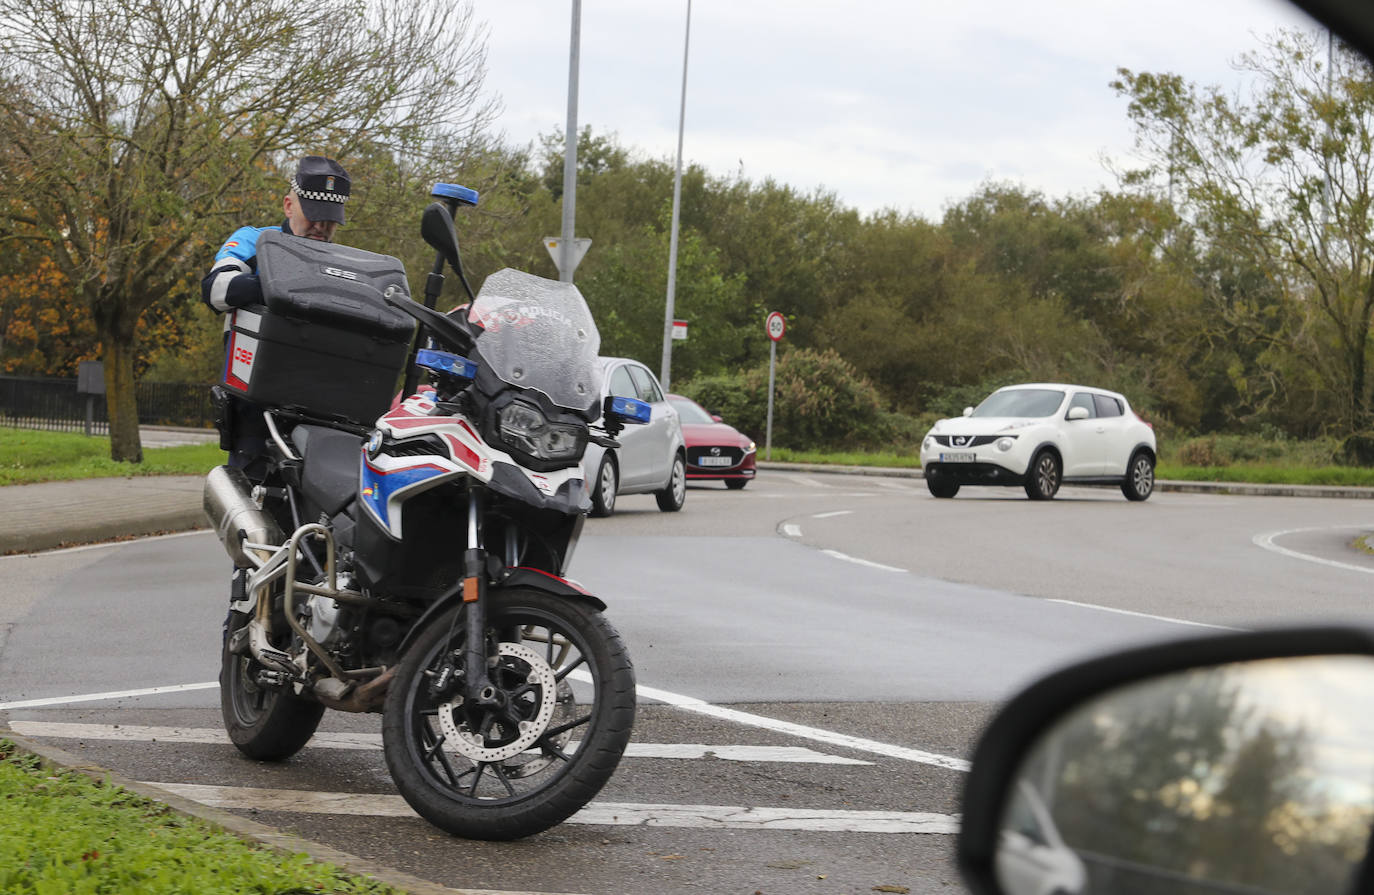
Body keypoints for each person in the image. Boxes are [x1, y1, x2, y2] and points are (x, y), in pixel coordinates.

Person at [201, 156, 352, 471]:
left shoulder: (346, 265)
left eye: (330, 219)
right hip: (255, 416)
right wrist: (287, 285)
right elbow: (215, 290)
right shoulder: (253, 240)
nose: (321, 227)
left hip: (320, 413)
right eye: (314, 216)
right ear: (288, 206)